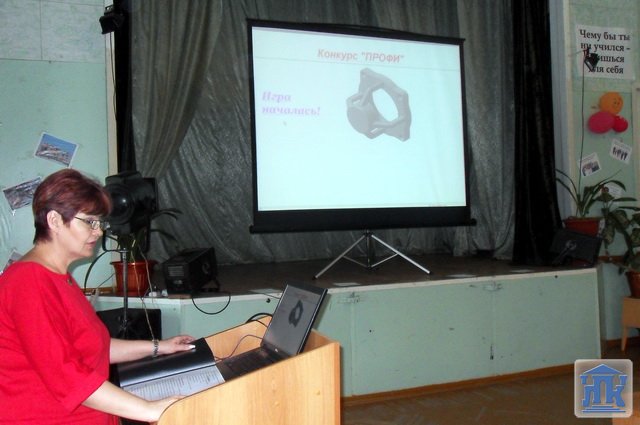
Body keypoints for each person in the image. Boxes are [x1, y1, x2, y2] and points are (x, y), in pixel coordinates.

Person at [0, 169, 196, 424]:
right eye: (90, 222)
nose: (99, 232)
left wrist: (160, 347)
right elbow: (67, 376)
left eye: (100, 223)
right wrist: (151, 410)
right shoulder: (28, 282)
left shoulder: (59, 277)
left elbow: (94, 347)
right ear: (55, 220)